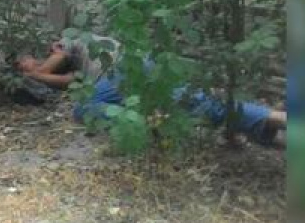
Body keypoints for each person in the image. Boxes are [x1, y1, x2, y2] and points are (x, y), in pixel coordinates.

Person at [17, 35, 287, 146]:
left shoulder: (67, 40)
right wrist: (37, 76)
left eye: (23, 62)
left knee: (83, 110)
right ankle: (272, 122)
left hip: (122, 69)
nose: (23, 68)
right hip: (138, 66)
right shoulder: (80, 68)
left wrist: (33, 72)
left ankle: (148, 121)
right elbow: (66, 81)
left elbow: (50, 66)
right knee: (192, 100)